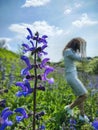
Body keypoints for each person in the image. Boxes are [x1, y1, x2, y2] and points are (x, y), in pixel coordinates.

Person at [63, 37, 89, 122]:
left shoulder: (70, 51)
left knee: (80, 95)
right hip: (71, 77)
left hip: (73, 76)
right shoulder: (68, 51)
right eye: (79, 46)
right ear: (75, 44)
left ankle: (82, 115)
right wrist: (87, 59)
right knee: (84, 95)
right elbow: (80, 59)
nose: (79, 48)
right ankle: (69, 107)